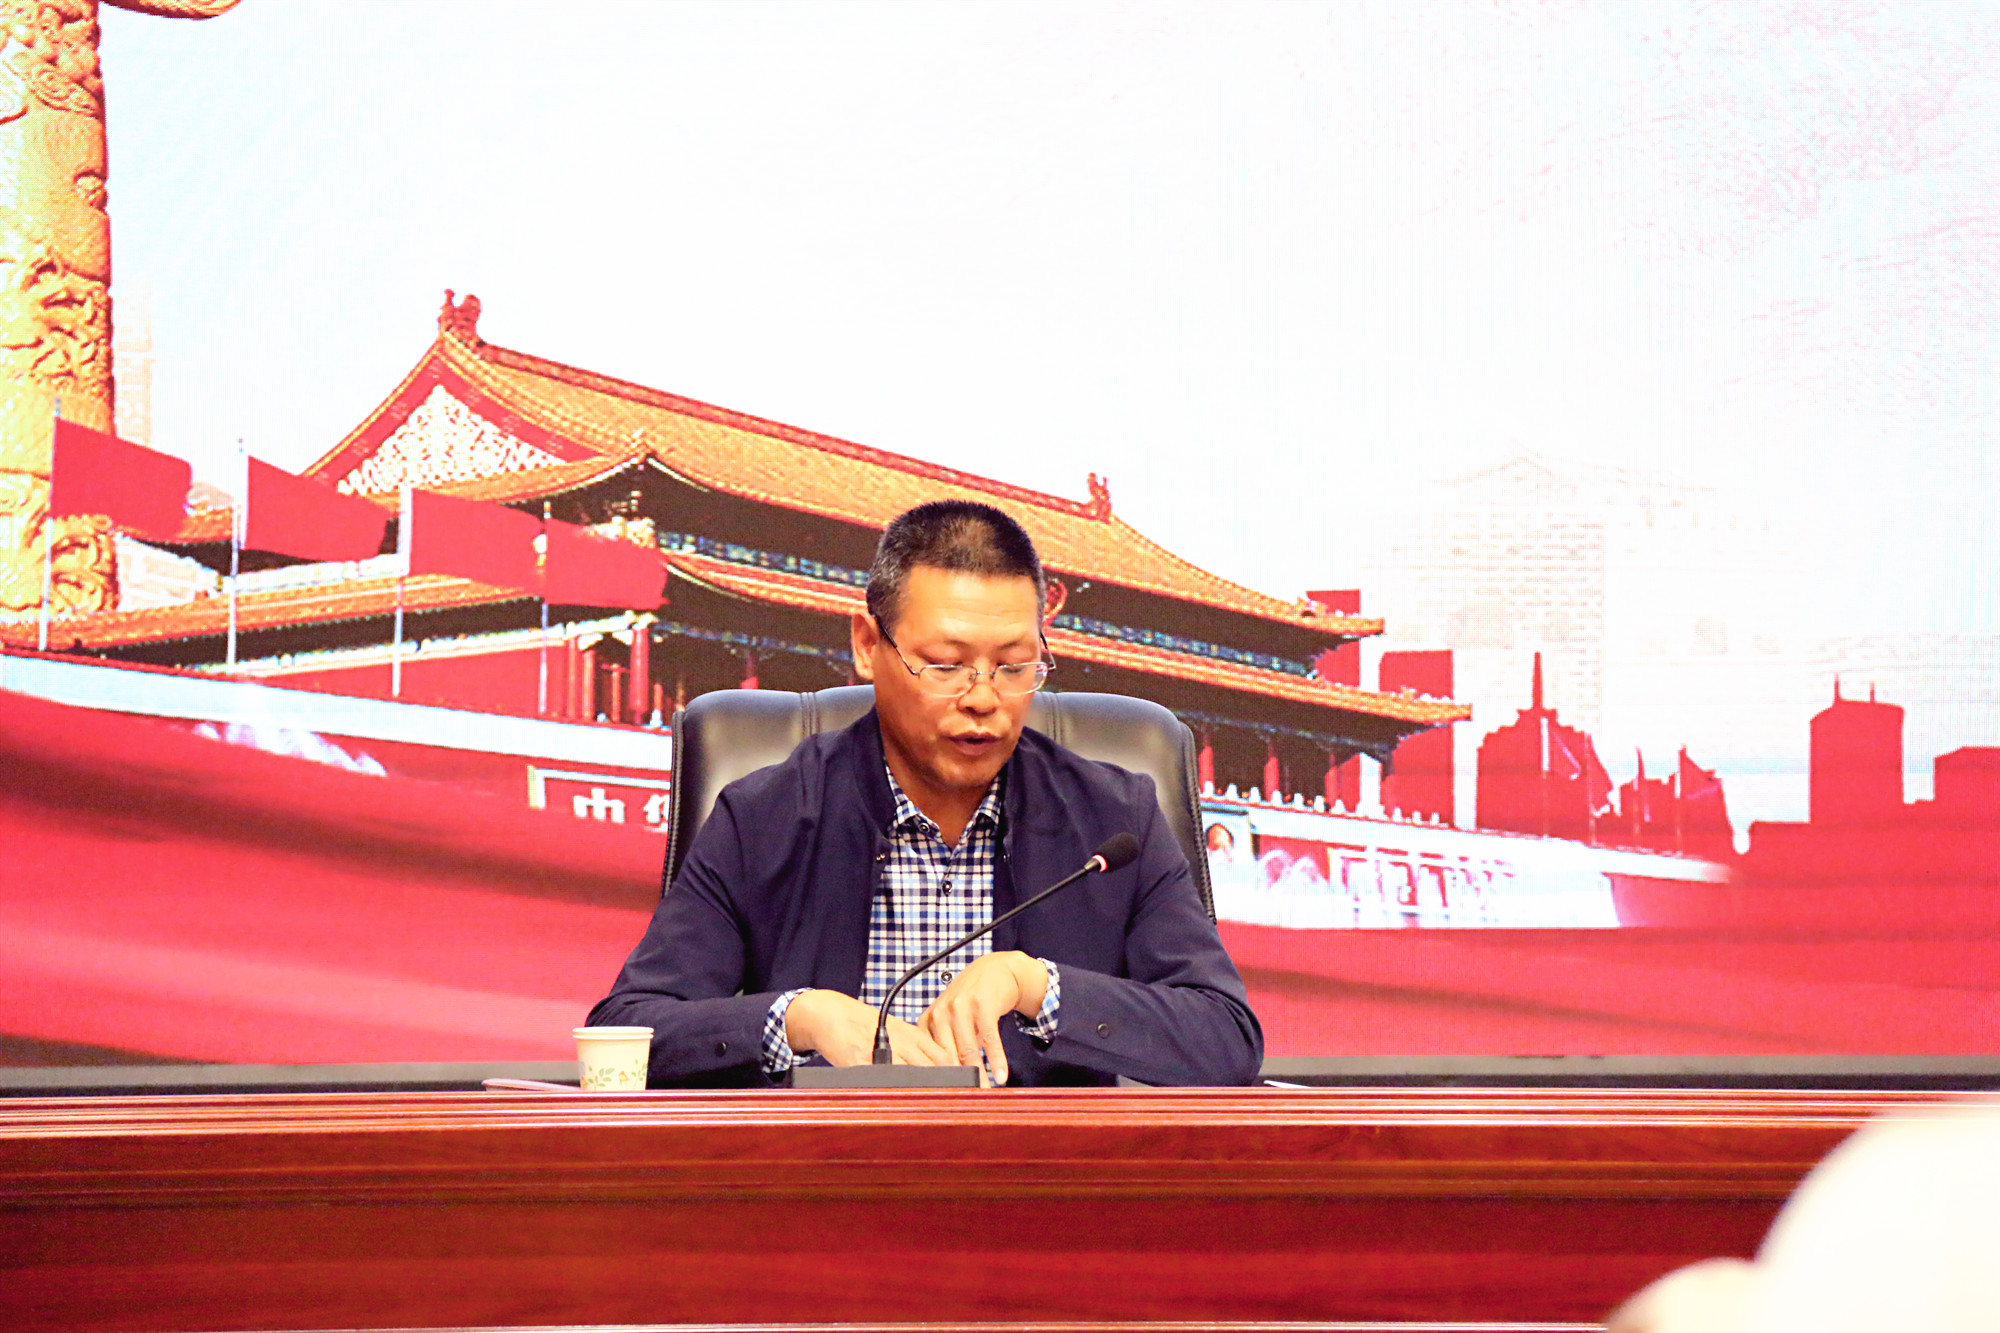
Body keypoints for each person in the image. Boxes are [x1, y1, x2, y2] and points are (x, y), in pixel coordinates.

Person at [588, 500, 1262, 1087]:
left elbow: (1227, 1037)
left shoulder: (1114, 824)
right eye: (945, 665)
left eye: (1014, 666)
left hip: (1040, 1180)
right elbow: (628, 1029)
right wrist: (795, 1017)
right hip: (822, 1178)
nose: (983, 699)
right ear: (866, 645)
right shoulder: (766, 815)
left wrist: (1038, 987)